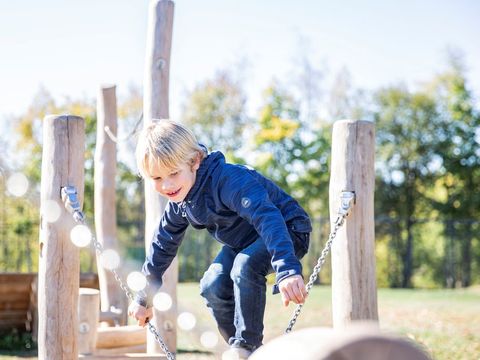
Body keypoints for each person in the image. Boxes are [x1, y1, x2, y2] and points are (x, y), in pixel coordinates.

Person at [128, 119, 311, 358]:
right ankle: (241, 347)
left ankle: (247, 345)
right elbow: (162, 246)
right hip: (245, 242)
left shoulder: (228, 180)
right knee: (212, 284)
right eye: (156, 178)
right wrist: (144, 298)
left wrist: (287, 268)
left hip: (287, 229)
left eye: (173, 173)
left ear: (194, 161)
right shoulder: (180, 203)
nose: (167, 185)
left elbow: (267, 217)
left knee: (245, 266)